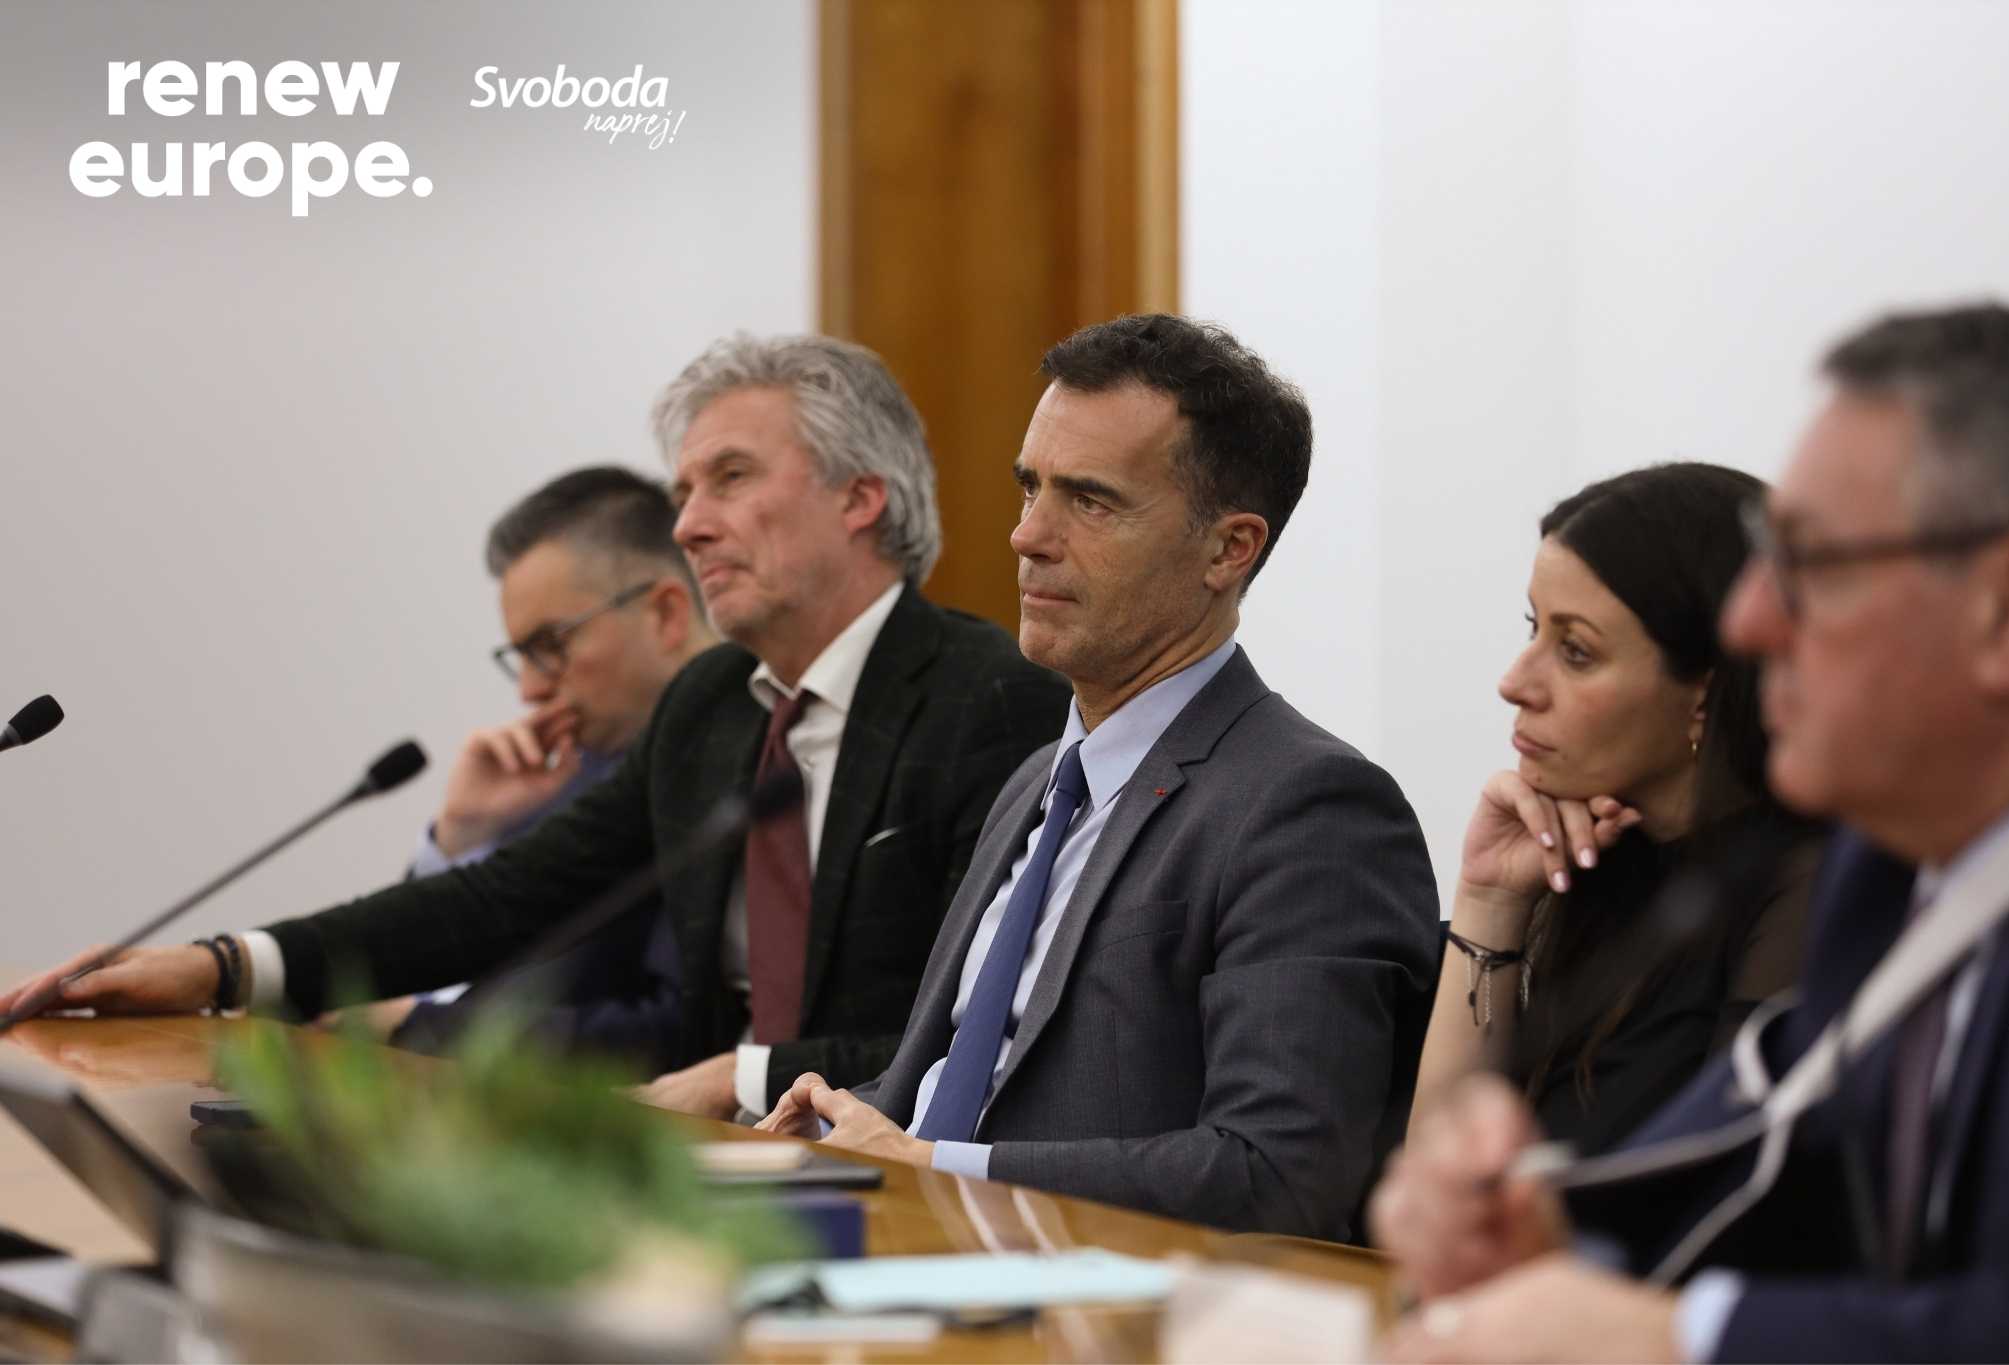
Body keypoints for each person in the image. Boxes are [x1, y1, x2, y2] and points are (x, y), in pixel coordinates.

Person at [0, 334, 1071, 1119]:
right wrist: (225, 966)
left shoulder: (988, 697)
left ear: (859, 498)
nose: (689, 523)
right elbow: (508, 900)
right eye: (684, 490)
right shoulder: (710, 705)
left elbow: (983, 1025)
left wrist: (742, 1076)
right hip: (695, 1166)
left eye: (730, 479)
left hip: (885, 1164)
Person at [1370, 302, 2009, 1363]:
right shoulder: (1887, 873)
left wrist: (1676, 1339)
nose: (1748, 623)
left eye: (1813, 565)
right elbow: (1764, 1160)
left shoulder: (1823, 875)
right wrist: (1548, 1225)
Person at [753, 313, 1440, 1241]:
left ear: (1228, 548)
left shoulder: (1311, 808)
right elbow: (961, 1089)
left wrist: (937, 1166)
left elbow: (1280, 1172)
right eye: (1030, 486)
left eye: (1091, 501)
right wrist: (838, 1125)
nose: (1027, 535)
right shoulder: (1037, 780)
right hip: (914, 1256)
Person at [1413, 463, 1820, 1157]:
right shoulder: (1602, 867)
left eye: (1575, 651)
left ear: (1704, 693)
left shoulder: (1804, 882)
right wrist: (1489, 899)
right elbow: (1435, 1171)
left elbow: (1724, 1184)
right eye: (1533, 628)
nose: (1514, 682)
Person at [381, 466, 712, 1061]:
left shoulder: (740, 779)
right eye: (522, 656)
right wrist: (462, 837)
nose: (530, 690)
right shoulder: (572, 776)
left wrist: (418, 1025)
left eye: (550, 646)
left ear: (665, 614)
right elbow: (416, 977)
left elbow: (675, 1033)